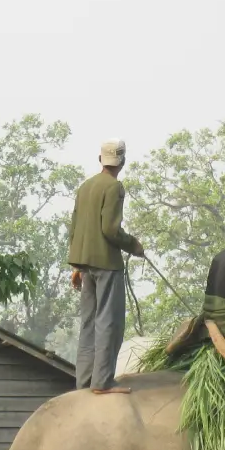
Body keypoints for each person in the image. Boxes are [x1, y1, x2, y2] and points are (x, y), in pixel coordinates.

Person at [67, 139, 144, 394]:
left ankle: (84, 382)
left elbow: (75, 226)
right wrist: (133, 245)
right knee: (108, 322)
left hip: (84, 262)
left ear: (100, 159)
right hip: (106, 263)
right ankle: (102, 382)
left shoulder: (85, 186)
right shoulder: (114, 187)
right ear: (122, 161)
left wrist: (77, 267)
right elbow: (110, 229)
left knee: (88, 323)